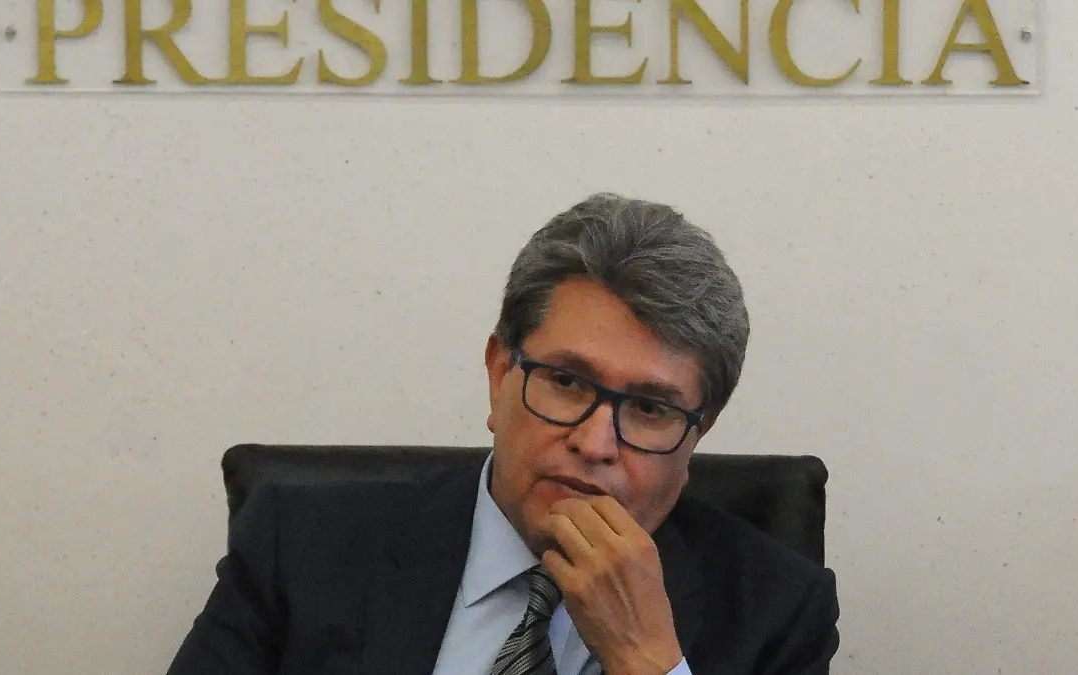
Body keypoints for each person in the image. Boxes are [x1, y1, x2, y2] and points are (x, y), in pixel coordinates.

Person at [166, 193, 840, 675]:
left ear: (699, 432)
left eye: (649, 409)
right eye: (567, 382)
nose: (596, 443)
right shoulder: (300, 546)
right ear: (498, 373)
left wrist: (646, 660)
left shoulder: (775, 611)